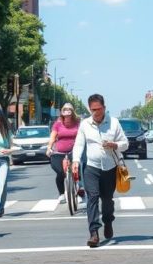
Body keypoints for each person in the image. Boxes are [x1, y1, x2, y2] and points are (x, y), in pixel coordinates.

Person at [71, 94, 128, 248]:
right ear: (89, 109)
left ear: (104, 107)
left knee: (107, 199)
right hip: (91, 167)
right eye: (93, 109)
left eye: (99, 109)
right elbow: (78, 145)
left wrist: (115, 145)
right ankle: (94, 233)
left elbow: (125, 144)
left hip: (110, 168)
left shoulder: (114, 123)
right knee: (93, 198)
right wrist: (75, 161)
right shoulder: (85, 124)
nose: (96, 112)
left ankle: (108, 221)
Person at [45, 103, 81, 204]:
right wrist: (49, 148)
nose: (67, 111)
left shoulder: (78, 123)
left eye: (69, 109)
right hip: (59, 152)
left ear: (72, 111)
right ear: (62, 112)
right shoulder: (57, 124)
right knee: (60, 172)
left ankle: (79, 192)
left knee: (77, 171)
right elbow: (52, 137)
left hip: (74, 151)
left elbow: (82, 136)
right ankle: (61, 194)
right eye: (65, 109)